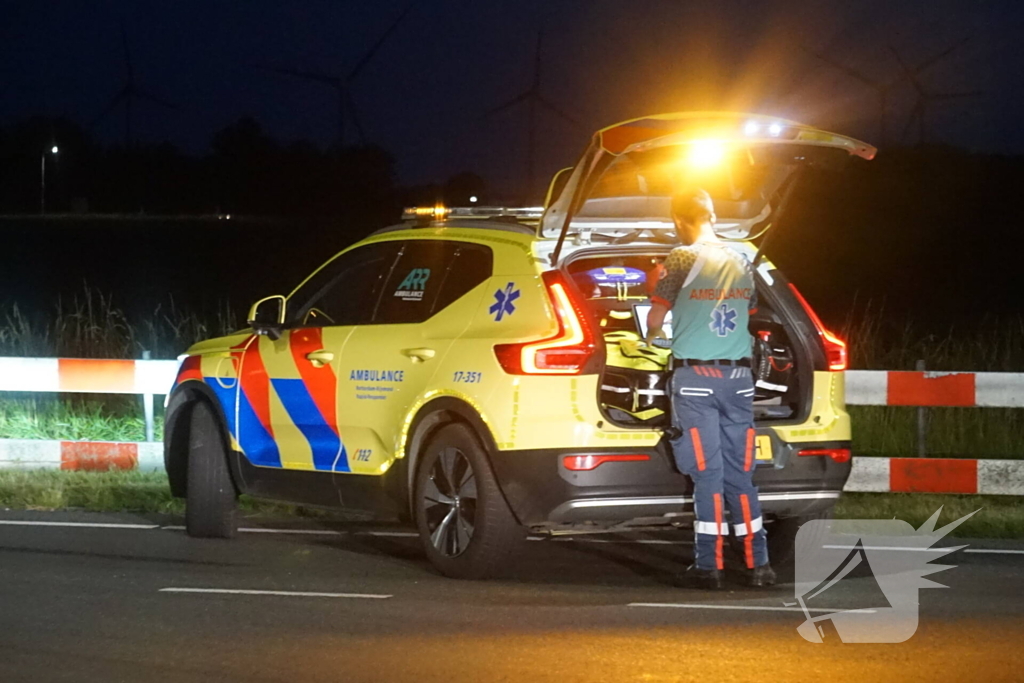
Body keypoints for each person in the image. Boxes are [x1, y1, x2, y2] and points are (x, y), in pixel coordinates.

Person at [645, 188, 774, 589]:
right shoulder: (742, 259)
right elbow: (747, 310)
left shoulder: (681, 258)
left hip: (696, 382)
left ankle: (709, 566)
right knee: (742, 475)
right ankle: (759, 565)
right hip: (738, 383)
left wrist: (656, 335)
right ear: (713, 217)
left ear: (680, 221)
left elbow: (654, 320)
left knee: (708, 476)